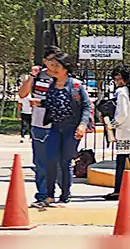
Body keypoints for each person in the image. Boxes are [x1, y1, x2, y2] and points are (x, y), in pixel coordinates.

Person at [39, 49, 92, 206]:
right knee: (50, 159)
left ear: (65, 67)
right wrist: (40, 103)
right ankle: (49, 195)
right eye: (52, 65)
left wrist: (82, 125)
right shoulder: (52, 85)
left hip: (71, 128)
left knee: (65, 162)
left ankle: (65, 196)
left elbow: (86, 106)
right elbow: (52, 103)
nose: (53, 68)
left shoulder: (76, 86)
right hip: (56, 127)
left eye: (57, 65)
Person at [19, 48, 59, 205]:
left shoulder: (64, 76)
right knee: (41, 163)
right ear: (44, 61)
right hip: (39, 124)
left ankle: (62, 193)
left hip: (59, 124)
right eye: (50, 59)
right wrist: (32, 76)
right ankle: (43, 194)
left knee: (60, 162)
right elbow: (22, 94)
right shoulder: (38, 76)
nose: (53, 63)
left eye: (56, 59)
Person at [104, 66, 130, 202]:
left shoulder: (122, 92)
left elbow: (122, 114)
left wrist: (112, 124)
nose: (116, 82)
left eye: (118, 79)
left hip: (125, 131)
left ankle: (118, 190)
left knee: (121, 162)